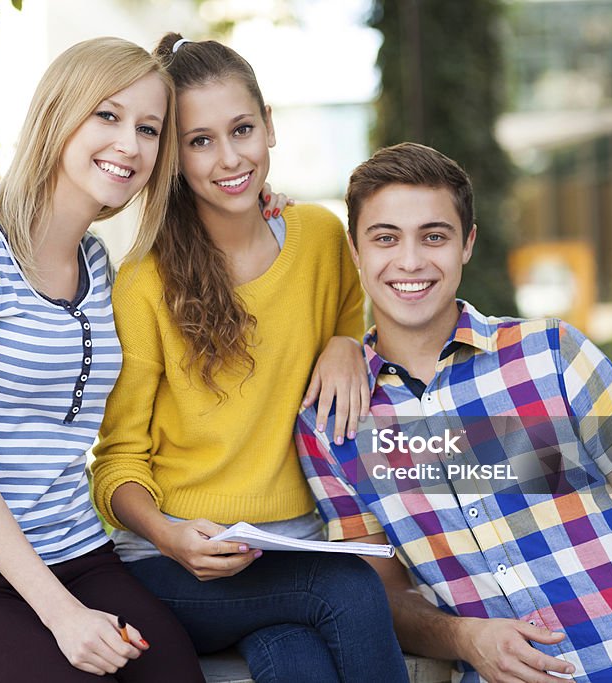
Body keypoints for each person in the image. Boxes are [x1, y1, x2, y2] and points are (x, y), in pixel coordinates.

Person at [297, 142, 612, 683]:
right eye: (386, 238)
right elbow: (380, 594)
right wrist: (465, 637)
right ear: (355, 251)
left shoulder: (553, 353)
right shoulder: (330, 425)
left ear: (468, 244)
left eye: (434, 236)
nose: (410, 261)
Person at [91, 34, 408, 683]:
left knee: (296, 656)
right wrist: (170, 535)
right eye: (200, 140)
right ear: (174, 157)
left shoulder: (320, 237)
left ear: (270, 127)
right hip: (174, 563)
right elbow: (116, 461)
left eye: (241, 129)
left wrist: (348, 342)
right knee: (349, 588)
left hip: (290, 548)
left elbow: (349, 310)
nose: (229, 158)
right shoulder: (145, 282)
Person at [0, 37, 206, 683]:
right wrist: (65, 616)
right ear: (58, 114)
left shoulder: (96, 262)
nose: (130, 143)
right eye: (108, 115)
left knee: (177, 674)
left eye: (149, 129)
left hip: (80, 554)